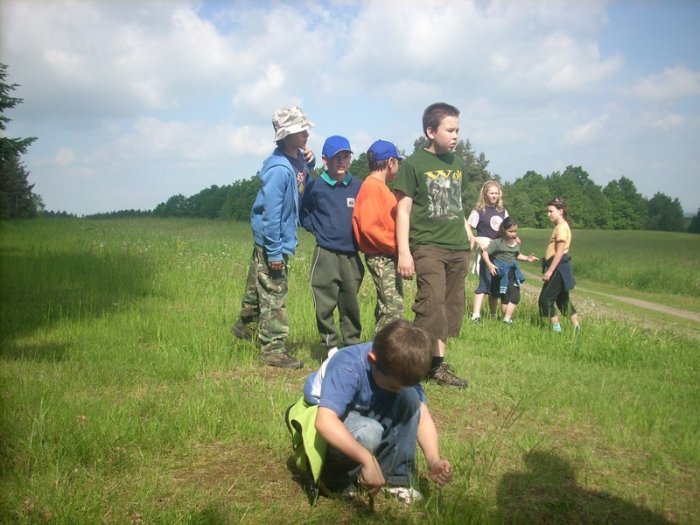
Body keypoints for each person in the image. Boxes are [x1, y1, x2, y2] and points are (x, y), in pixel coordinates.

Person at [303, 320, 454, 503]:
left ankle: (396, 479)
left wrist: (434, 460)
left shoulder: (399, 362)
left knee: (409, 398)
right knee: (369, 431)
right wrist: (367, 459)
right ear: (372, 360)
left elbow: (421, 416)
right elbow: (324, 422)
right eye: (393, 385)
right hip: (325, 420)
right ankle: (334, 481)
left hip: (363, 410)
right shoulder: (348, 367)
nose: (397, 391)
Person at [231, 106, 316, 369]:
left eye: (305, 129)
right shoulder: (278, 169)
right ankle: (273, 350)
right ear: (286, 135)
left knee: (259, 283)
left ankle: (245, 327)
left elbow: (302, 184)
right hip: (273, 238)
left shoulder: (297, 159)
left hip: (277, 237)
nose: (306, 134)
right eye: (300, 130)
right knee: (274, 292)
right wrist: (275, 251)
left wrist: (310, 164)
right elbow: (271, 213)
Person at [393, 102, 470, 388]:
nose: (455, 136)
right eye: (450, 130)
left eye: (457, 130)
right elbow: (403, 211)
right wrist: (404, 252)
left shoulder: (457, 163)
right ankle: (411, 365)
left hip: (458, 246)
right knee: (431, 304)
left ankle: (437, 366)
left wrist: (467, 231)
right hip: (428, 245)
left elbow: (456, 204)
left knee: (449, 308)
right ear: (430, 131)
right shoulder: (413, 165)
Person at [300, 135, 364, 357]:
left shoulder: (358, 186)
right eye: (336, 157)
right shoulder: (316, 186)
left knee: (350, 301)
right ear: (325, 159)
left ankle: (352, 344)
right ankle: (330, 345)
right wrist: (315, 229)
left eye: (345, 156)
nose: (341, 161)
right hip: (325, 252)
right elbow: (303, 211)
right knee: (324, 300)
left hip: (351, 254)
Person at [352, 139, 404, 336]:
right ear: (390, 162)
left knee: (390, 305)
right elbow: (370, 227)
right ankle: (381, 349)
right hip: (382, 256)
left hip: (387, 254)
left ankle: (382, 347)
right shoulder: (372, 187)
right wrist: (396, 247)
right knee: (392, 309)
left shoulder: (380, 187)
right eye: (398, 161)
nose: (398, 166)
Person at [479, 217, 538, 324]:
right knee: (499, 296)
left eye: (515, 231)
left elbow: (516, 255)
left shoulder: (516, 243)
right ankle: (497, 316)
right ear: (503, 230)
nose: (513, 234)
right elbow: (485, 253)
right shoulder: (497, 242)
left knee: (515, 297)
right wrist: (490, 265)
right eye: (511, 231)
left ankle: (506, 319)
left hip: (512, 273)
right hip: (500, 273)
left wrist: (527, 258)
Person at [466, 180, 510, 322]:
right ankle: (476, 315)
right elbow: (467, 229)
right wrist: (477, 240)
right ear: (485, 194)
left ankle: (493, 315)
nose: (494, 196)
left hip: (500, 251)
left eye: (496, 193)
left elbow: (509, 228)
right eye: (491, 193)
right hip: (485, 251)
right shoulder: (479, 211)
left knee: (495, 284)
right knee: (485, 282)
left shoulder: (503, 212)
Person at [538, 197, 581, 332]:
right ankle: (577, 328)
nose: (548, 214)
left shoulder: (561, 228)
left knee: (546, 299)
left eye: (551, 211)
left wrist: (550, 271)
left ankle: (556, 330)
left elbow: (560, 252)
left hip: (558, 268)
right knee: (563, 300)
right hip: (559, 266)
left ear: (560, 211)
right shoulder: (561, 226)